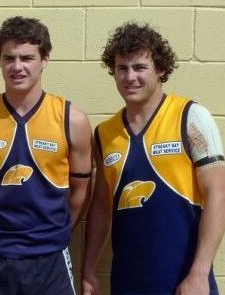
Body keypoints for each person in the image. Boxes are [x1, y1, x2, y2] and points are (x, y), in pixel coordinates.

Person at [81, 22, 225, 295]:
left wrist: (199, 273)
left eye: (139, 67)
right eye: (122, 68)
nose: (129, 76)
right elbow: (100, 207)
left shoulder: (191, 117)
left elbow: (219, 195)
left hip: (184, 282)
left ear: (160, 69)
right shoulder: (105, 133)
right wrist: (88, 269)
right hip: (127, 281)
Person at [0, 16, 92, 295]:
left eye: (27, 58)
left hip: (50, 257)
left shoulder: (72, 120)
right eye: (9, 58)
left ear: (45, 59)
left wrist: (52, 234)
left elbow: (80, 191)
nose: (17, 67)